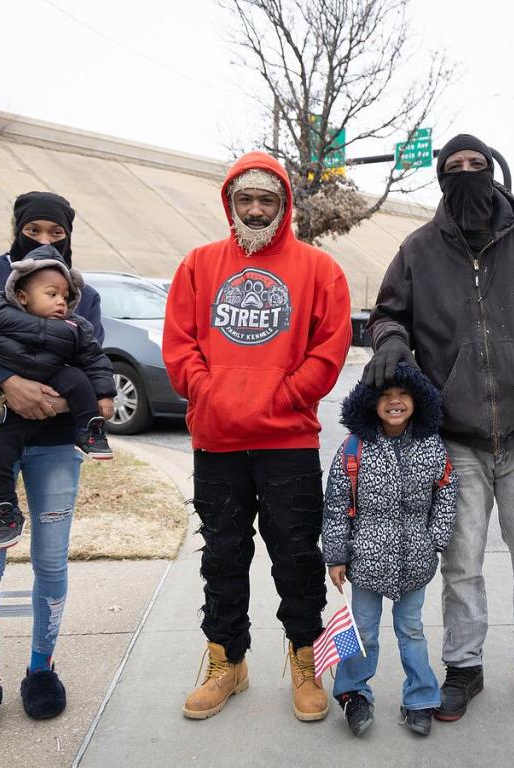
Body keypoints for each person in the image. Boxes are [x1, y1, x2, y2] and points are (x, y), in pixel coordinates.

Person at [365, 134, 514, 724]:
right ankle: (463, 666)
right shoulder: (418, 249)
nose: (466, 172)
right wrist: (391, 342)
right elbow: (389, 314)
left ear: (494, 172)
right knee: (461, 566)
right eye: (454, 167)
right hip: (456, 440)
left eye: (476, 165)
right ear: (441, 180)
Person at [164, 151, 352, 722]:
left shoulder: (320, 270)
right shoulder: (198, 265)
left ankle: (307, 663)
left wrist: (289, 395)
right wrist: (210, 393)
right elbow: (179, 344)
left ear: (284, 205)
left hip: (288, 441)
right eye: (244, 198)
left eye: (265, 199)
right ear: (229, 202)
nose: (254, 208)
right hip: (217, 442)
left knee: (297, 558)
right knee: (222, 556)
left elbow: (330, 347)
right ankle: (228, 663)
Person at [0, 192, 105, 751]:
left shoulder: (83, 293)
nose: (43, 240)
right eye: (33, 229)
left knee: (51, 560)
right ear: (16, 228)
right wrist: (8, 384)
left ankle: (41, 669)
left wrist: (57, 402)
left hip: (56, 444)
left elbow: (88, 361)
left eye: (55, 232)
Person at [0, 244, 116, 548]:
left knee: (76, 376)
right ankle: (6, 513)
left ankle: (90, 431)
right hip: (3, 407)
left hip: (53, 380)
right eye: (51, 294)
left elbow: (96, 359)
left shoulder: (75, 325)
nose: (61, 301)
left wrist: (105, 395)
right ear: (22, 295)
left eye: (65, 296)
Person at [322, 363, 458, 738]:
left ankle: (420, 697)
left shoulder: (431, 446)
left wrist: (436, 539)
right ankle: (353, 693)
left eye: (403, 395)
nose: (395, 402)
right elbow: (336, 504)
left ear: (417, 401)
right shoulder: (353, 448)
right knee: (360, 630)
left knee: (412, 630)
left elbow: (446, 491)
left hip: (415, 559)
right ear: (370, 403)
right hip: (365, 561)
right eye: (385, 396)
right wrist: (336, 555)